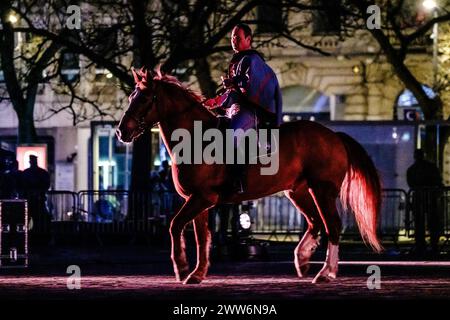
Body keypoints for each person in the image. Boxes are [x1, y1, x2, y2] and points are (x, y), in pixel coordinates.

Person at [204, 23, 283, 194]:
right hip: (238, 108)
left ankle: (236, 181)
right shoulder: (238, 60)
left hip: (252, 110)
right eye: (232, 37)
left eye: (238, 37)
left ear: (248, 39)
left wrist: (233, 82)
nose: (234, 40)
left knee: (232, 134)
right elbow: (233, 90)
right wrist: (215, 101)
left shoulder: (253, 59)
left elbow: (250, 83)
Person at [407, 149, 443, 255]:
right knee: (432, 222)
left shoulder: (412, 169)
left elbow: (411, 184)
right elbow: (437, 180)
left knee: (419, 222)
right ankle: (433, 244)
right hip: (430, 198)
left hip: (418, 198)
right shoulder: (431, 168)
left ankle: (420, 245)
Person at [21, 155, 51, 229]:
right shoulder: (42, 172)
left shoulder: (26, 173)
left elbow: (22, 185)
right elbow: (46, 185)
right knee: (38, 218)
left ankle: (29, 232)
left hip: (32, 199)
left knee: (29, 217)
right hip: (37, 199)